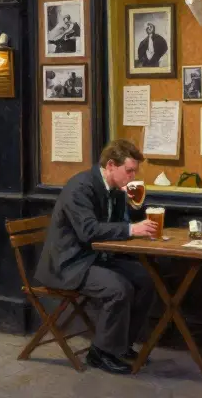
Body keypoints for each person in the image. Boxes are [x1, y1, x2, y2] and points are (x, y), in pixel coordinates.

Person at [34, 140, 158, 375]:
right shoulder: (81, 187)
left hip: (93, 258)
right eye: (129, 171)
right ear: (111, 165)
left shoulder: (115, 189)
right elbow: (88, 231)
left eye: (135, 172)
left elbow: (115, 224)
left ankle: (119, 345)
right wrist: (132, 230)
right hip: (68, 264)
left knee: (145, 280)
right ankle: (100, 353)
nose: (132, 177)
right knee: (118, 288)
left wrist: (131, 209)